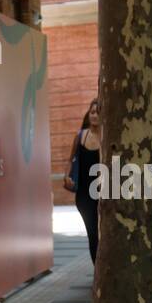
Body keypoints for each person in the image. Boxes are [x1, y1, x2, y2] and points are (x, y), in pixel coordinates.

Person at [64, 99, 102, 263]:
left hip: (103, 194)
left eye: (98, 112)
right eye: (92, 112)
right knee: (92, 233)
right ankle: (97, 270)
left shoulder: (107, 137)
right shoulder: (80, 137)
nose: (94, 115)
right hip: (84, 195)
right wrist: (67, 177)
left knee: (104, 234)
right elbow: (71, 159)